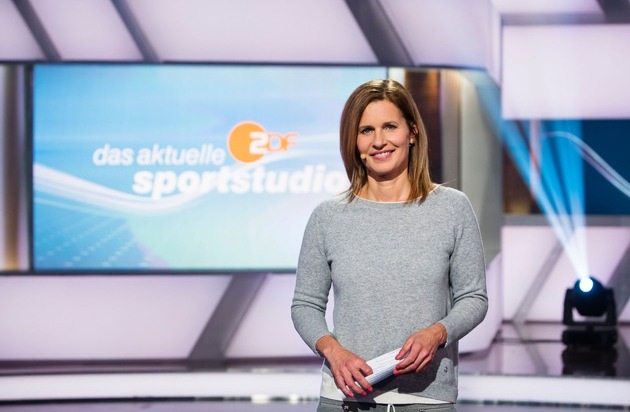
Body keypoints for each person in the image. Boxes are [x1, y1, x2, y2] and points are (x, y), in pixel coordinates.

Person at [291, 79, 488, 411]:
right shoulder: (328, 217)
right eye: (366, 130)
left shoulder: (452, 208)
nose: (378, 141)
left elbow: (474, 298)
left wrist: (438, 333)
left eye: (389, 127)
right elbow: (305, 305)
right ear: (353, 141)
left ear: (412, 132)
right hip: (346, 399)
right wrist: (333, 351)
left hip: (426, 398)